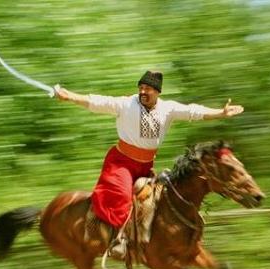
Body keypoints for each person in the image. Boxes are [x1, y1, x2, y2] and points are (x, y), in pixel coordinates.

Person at [54, 70, 244, 257]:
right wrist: (69, 95)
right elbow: (97, 102)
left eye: (148, 89)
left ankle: (148, 239)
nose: (143, 92)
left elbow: (193, 111)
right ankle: (118, 239)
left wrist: (221, 112)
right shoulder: (126, 104)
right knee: (120, 194)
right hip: (121, 163)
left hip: (145, 165)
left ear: (157, 92)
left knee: (160, 197)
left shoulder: (168, 108)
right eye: (141, 88)